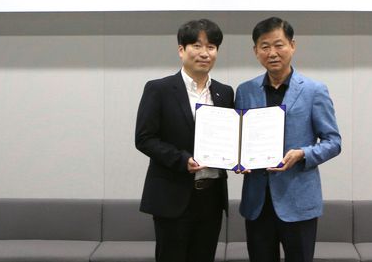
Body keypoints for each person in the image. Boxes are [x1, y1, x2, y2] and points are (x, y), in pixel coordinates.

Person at [235, 17, 342, 262]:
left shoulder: (314, 90)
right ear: (255, 51)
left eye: (279, 45)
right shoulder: (245, 91)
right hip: (257, 203)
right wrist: (236, 160)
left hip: (298, 201)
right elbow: (238, 138)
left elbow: (333, 141)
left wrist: (302, 154)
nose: (272, 53)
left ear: (292, 46)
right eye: (264, 46)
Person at [135, 19, 234, 262]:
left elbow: (230, 138)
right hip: (172, 196)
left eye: (211, 47)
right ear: (182, 50)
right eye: (197, 46)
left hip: (211, 197)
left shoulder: (224, 93)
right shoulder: (159, 89)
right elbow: (144, 138)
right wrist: (182, 160)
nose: (204, 53)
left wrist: (240, 158)